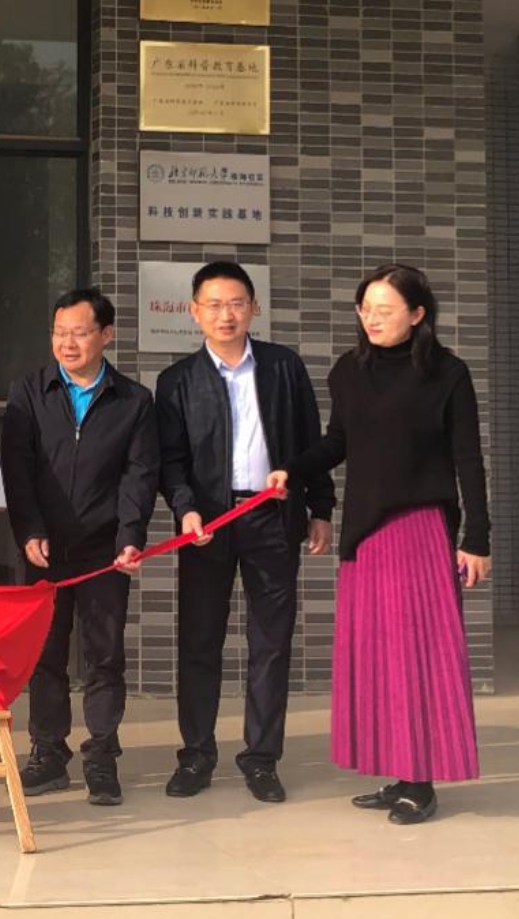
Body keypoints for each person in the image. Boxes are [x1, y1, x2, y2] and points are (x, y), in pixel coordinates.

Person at [268, 263, 490, 825]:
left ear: (418, 315)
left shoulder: (449, 374)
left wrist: (477, 538)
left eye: (384, 310)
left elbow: (468, 460)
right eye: (365, 308)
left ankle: (422, 780)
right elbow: (338, 442)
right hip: (365, 534)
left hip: (421, 528)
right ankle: (398, 771)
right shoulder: (349, 370)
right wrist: (291, 471)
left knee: (419, 656)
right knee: (377, 657)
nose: (371, 318)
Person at [155, 261, 335, 804]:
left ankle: (261, 759)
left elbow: (311, 442)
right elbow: (171, 460)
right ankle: (197, 754)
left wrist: (320, 506)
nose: (225, 314)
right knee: (200, 641)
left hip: (272, 519)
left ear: (254, 307)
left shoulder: (283, 367)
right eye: (213, 304)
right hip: (207, 525)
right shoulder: (178, 381)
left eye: (235, 302)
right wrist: (185, 510)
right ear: (194, 312)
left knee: (271, 643)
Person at [2, 288, 159, 806]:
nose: (67, 343)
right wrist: (28, 531)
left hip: (103, 551)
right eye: (59, 333)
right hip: (42, 549)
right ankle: (48, 755)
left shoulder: (133, 401)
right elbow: (17, 472)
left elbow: (139, 477)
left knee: (103, 655)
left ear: (106, 335)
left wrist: (130, 538)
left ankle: (102, 758)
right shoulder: (29, 392)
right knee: (45, 655)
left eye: (80, 332)